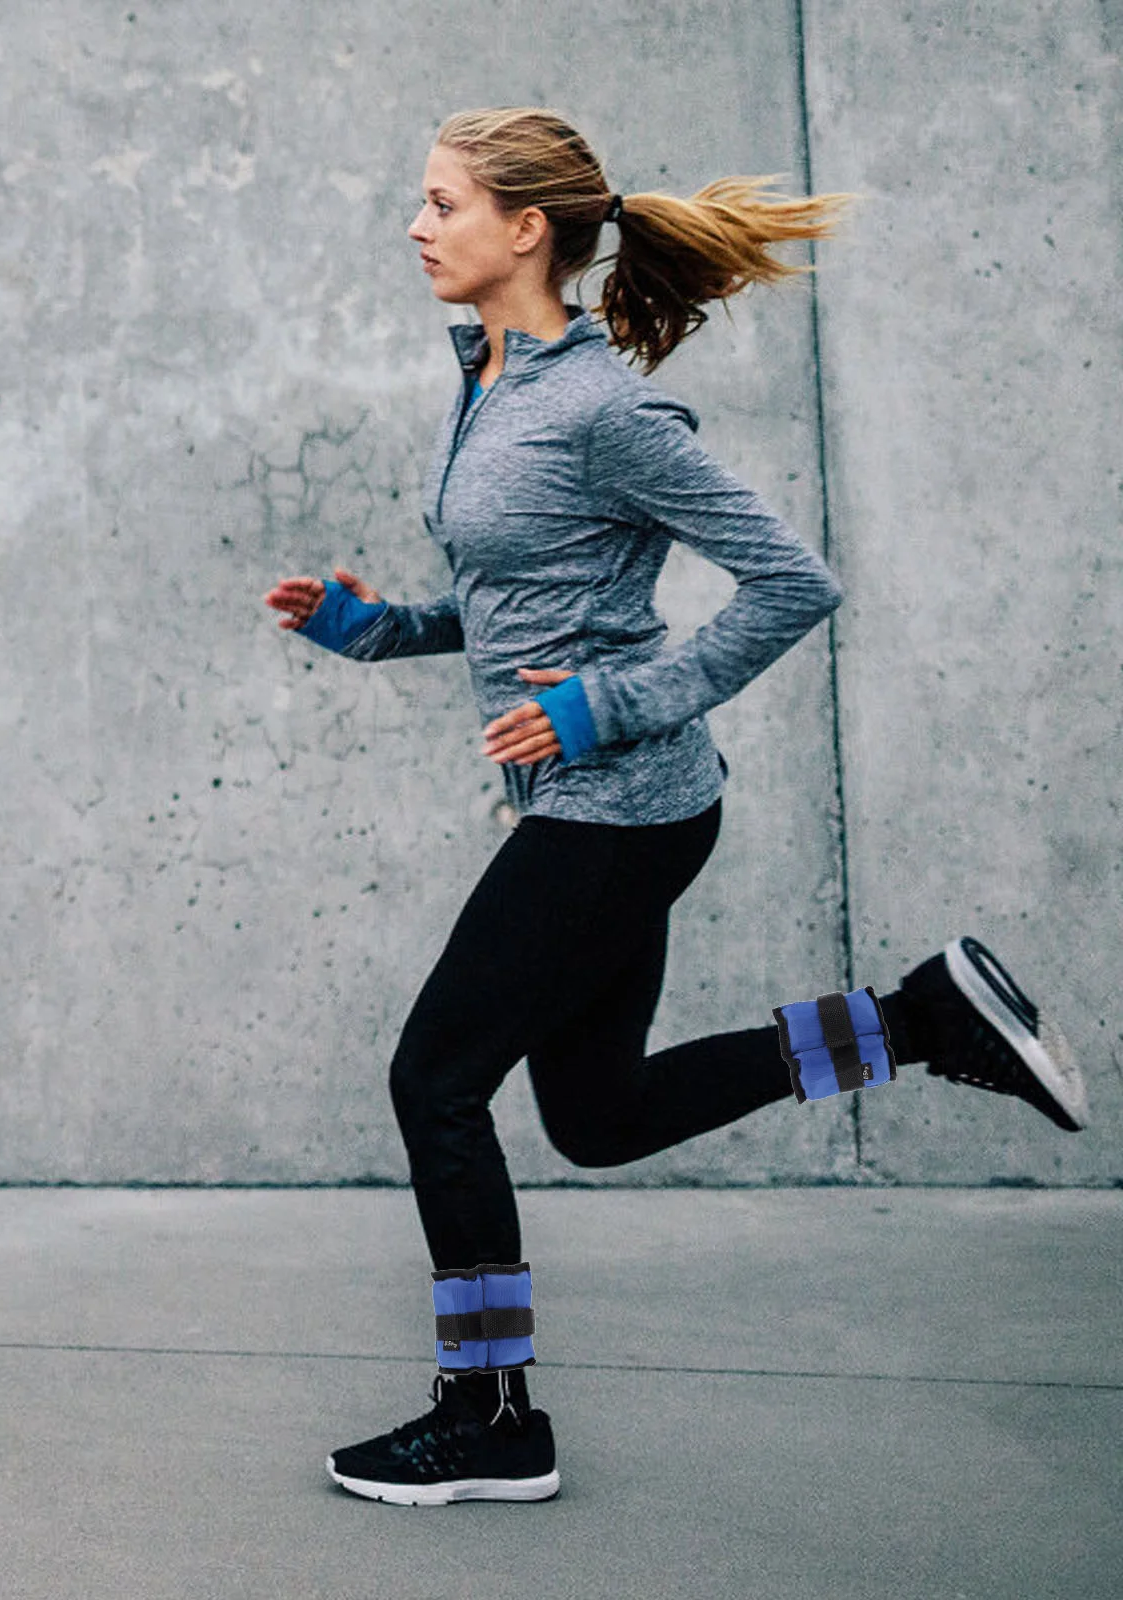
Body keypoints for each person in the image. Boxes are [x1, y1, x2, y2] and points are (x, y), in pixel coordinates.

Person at [263, 107, 1087, 1507]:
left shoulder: (603, 407)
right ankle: (915, 1021)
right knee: (598, 1115)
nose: (417, 225)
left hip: (620, 805)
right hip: (600, 803)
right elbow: (535, 600)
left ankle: (491, 1414)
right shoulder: (490, 375)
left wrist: (608, 707)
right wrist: (379, 627)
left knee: (434, 1078)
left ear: (526, 228)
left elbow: (793, 584)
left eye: (442, 202)